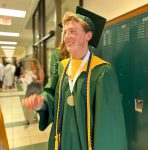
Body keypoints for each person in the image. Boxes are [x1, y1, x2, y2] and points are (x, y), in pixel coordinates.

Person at [22, 6, 127, 150]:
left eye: (73, 31)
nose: (66, 36)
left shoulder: (102, 71)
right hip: (62, 140)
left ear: (88, 36)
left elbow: (108, 122)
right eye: (65, 32)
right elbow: (51, 95)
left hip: (85, 143)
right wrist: (41, 103)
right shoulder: (61, 67)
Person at [22, 59, 44, 125]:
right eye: (30, 64)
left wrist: (36, 80)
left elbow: (41, 81)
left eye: (33, 64)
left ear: (36, 64)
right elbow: (25, 79)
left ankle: (35, 116)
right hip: (29, 89)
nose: (31, 65)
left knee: (36, 104)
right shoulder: (28, 71)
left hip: (37, 89)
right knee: (28, 104)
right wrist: (24, 77)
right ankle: (27, 120)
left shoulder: (40, 71)